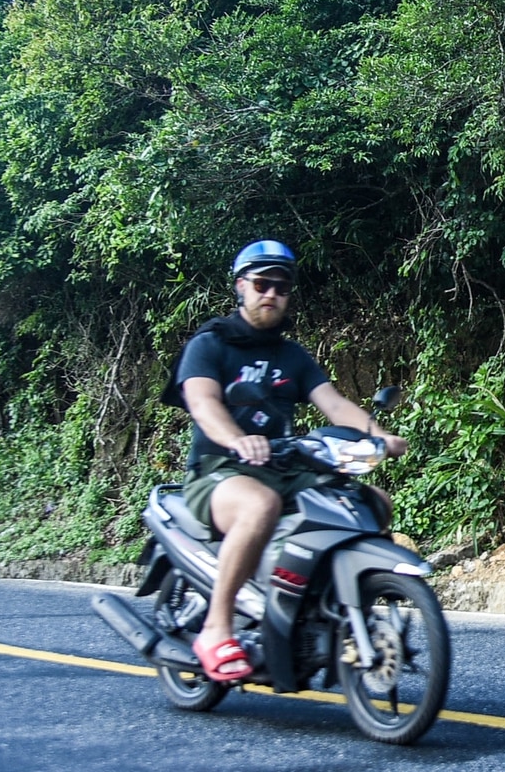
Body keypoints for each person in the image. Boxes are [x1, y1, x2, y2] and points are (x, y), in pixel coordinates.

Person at [165, 239, 405, 683]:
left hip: (283, 466)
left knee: (371, 501)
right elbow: (203, 404)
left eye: (281, 286)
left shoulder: (291, 355)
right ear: (241, 287)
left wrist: (379, 435)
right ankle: (216, 628)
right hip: (219, 470)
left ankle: (342, 609)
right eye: (261, 283)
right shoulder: (210, 344)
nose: (271, 293)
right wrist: (238, 440)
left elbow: (333, 405)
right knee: (260, 506)